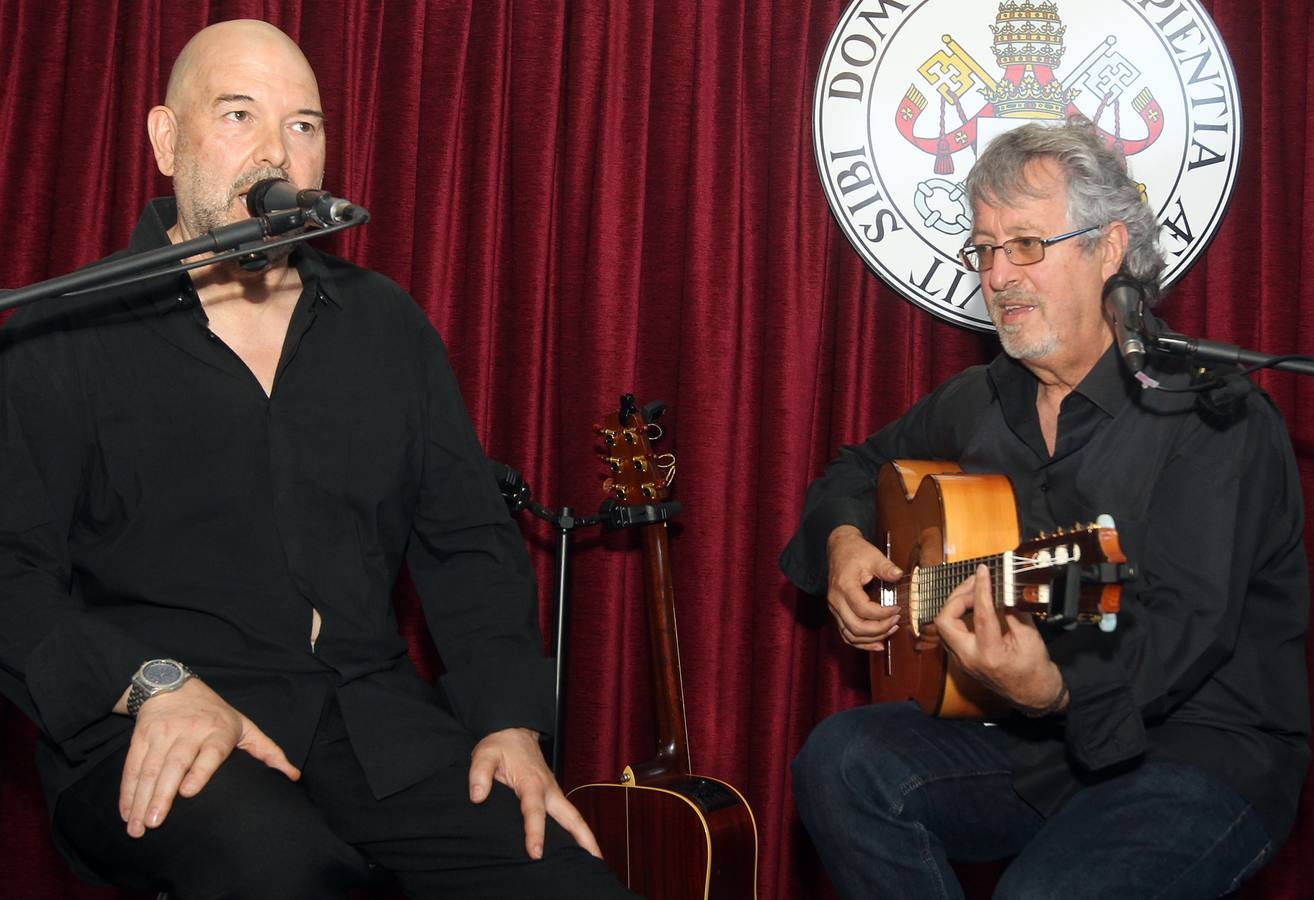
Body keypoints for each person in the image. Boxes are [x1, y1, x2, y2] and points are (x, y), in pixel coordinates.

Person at [0, 19, 634, 900]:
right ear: (165, 140)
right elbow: (10, 573)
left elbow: (468, 543)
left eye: (303, 125)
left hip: (375, 730)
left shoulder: (385, 326)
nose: (277, 154)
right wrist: (146, 682)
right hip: (161, 720)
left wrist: (509, 723)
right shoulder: (58, 335)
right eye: (238, 115)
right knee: (290, 874)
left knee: (569, 884)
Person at [782, 118, 1310, 898]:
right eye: (985, 249)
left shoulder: (1213, 415)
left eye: (1026, 245)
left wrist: (1057, 687)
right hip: (1033, 745)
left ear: (1109, 249)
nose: (998, 276)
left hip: (1199, 752)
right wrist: (845, 542)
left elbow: (1181, 629)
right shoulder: (981, 398)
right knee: (842, 763)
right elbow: (855, 469)